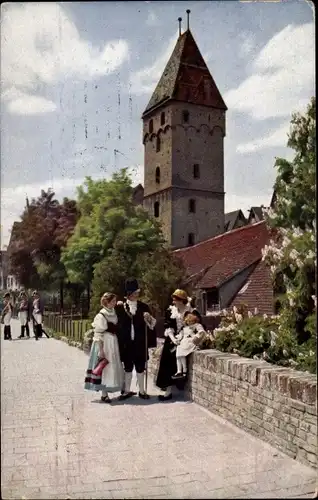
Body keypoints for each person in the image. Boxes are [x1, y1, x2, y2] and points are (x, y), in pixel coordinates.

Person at [116, 278, 157, 400]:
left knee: (140, 367)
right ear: (128, 294)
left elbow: (152, 325)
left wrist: (148, 317)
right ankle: (127, 391)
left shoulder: (144, 307)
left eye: (137, 293)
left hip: (140, 342)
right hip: (126, 343)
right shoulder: (120, 307)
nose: (136, 295)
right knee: (127, 367)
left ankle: (142, 391)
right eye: (134, 293)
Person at [84, 292, 124, 403]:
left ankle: (112, 387)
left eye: (115, 301)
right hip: (104, 342)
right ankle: (104, 394)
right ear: (107, 302)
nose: (115, 303)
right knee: (104, 367)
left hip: (113, 342)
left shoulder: (113, 312)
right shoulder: (101, 315)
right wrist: (101, 350)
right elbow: (98, 335)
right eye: (113, 301)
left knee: (112, 366)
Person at [155, 289, 193, 401]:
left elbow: (190, 325)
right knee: (167, 362)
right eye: (173, 299)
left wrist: (181, 337)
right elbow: (168, 326)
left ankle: (177, 387)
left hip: (185, 337)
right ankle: (168, 390)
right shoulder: (171, 311)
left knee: (179, 363)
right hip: (172, 339)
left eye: (176, 299)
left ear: (182, 301)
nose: (173, 301)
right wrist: (173, 338)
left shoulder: (189, 311)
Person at [172, 309, 205, 379]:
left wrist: (196, 338)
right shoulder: (185, 328)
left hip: (191, 342)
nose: (189, 323)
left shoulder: (197, 325)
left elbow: (202, 332)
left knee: (181, 352)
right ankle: (179, 371)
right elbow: (181, 335)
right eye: (188, 321)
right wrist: (177, 339)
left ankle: (184, 370)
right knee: (178, 355)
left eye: (191, 321)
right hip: (184, 342)